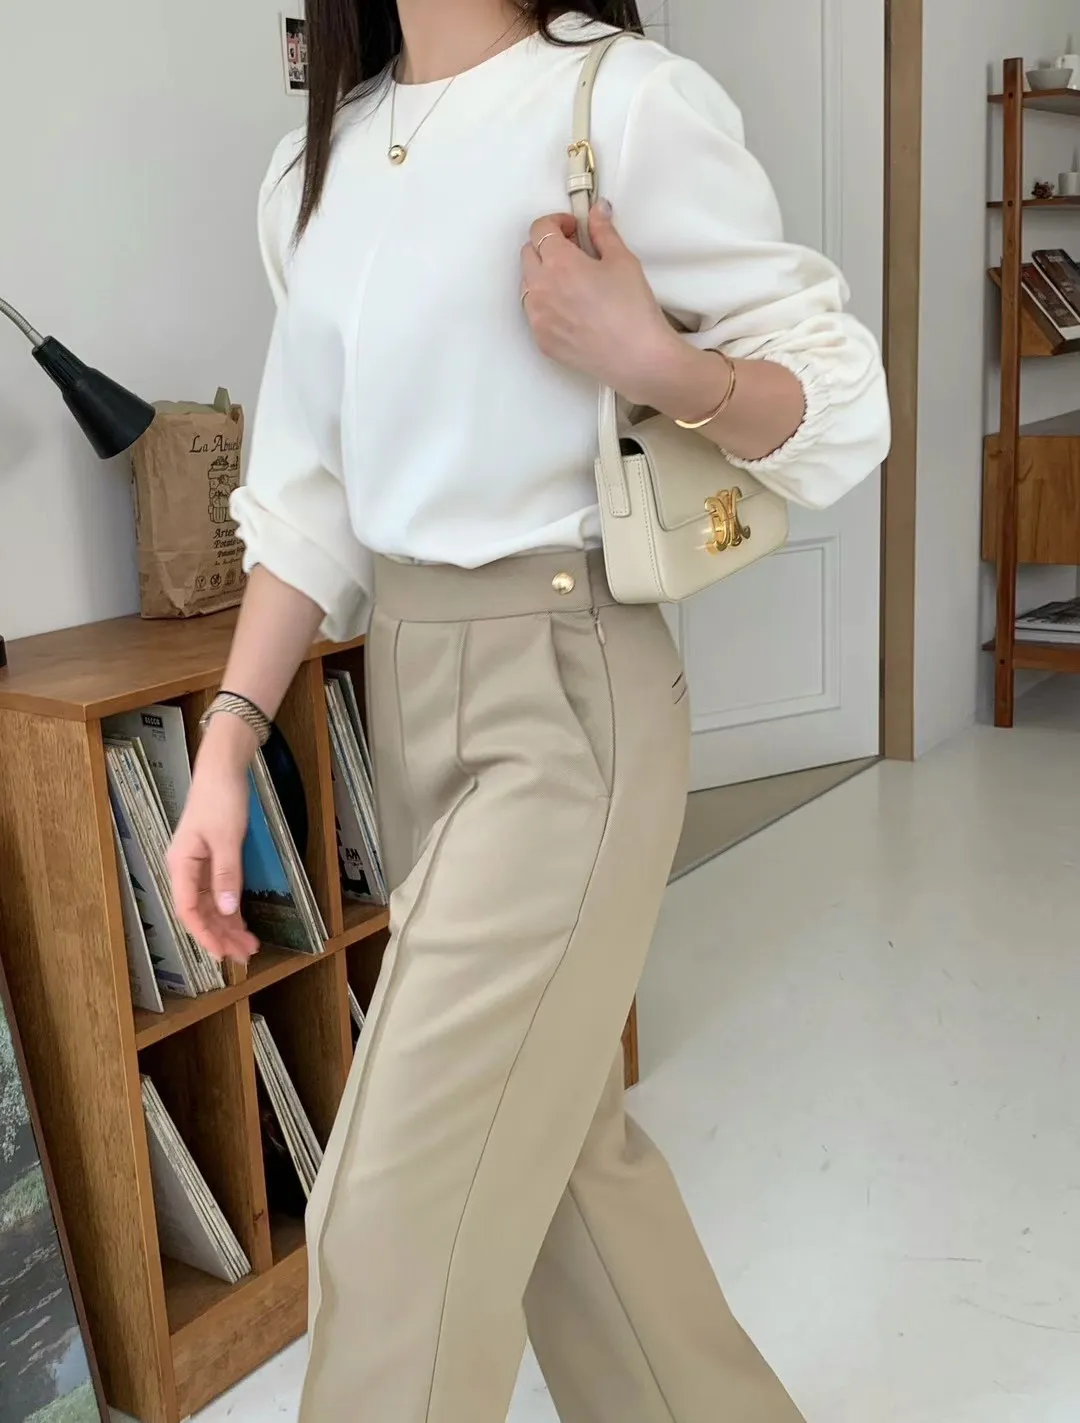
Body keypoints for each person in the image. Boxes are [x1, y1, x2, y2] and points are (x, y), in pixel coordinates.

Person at [167, 2, 891, 1419]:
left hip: (570, 688)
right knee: (559, 1169)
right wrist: (228, 738)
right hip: (404, 686)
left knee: (391, 1218)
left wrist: (657, 360)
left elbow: (842, 404)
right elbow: (309, 497)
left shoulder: (619, 103)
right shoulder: (313, 168)